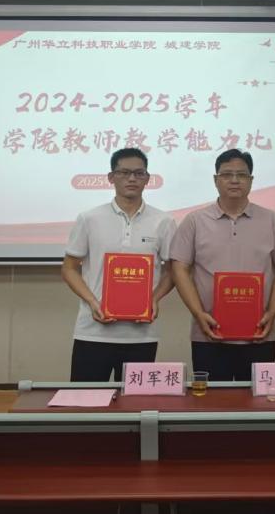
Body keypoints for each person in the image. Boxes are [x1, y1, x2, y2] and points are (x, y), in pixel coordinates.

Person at [170, 149, 275, 381]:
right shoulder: (195, 221)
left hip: (259, 332)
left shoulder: (271, 219)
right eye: (227, 174)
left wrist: (273, 312)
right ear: (215, 180)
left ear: (251, 180)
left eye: (242, 175)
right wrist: (198, 314)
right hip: (208, 333)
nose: (235, 180)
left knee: (257, 398)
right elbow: (179, 268)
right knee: (212, 399)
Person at [60, 148, 177, 383]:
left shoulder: (164, 221)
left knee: (135, 402)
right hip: (93, 331)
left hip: (142, 334)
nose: (132, 178)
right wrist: (93, 302)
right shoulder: (89, 218)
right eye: (124, 172)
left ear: (147, 178)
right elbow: (69, 268)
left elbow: (173, 271)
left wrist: (153, 299)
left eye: (139, 173)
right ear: (111, 177)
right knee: (86, 401)